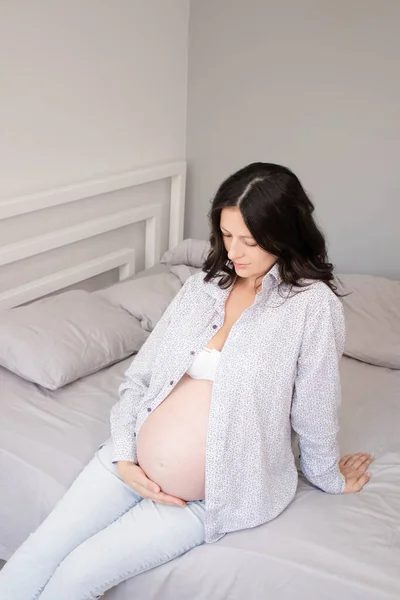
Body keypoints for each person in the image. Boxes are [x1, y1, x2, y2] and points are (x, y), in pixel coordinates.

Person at [0, 162, 374, 599]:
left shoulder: (311, 307)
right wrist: (124, 455)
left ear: (285, 233)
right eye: (227, 235)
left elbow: (314, 407)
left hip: (201, 501)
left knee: (78, 575)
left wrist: (328, 475)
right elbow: (139, 378)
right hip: (125, 462)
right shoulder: (203, 287)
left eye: (250, 241)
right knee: (39, 552)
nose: (234, 252)